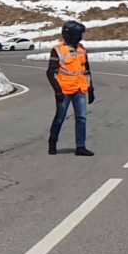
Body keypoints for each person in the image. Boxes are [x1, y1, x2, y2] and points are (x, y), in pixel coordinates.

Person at [47, 21, 95, 156]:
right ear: (71, 35)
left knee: (81, 118)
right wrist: (57, 90)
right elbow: (50, 72)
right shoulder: (58, 50)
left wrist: (91, 89)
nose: (80, 37)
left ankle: (80, 147)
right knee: (60, 118)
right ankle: (52, 142)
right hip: (65, 90)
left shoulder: (81, 49)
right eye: (78, 34)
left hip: (80, 89)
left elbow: (87, 70)